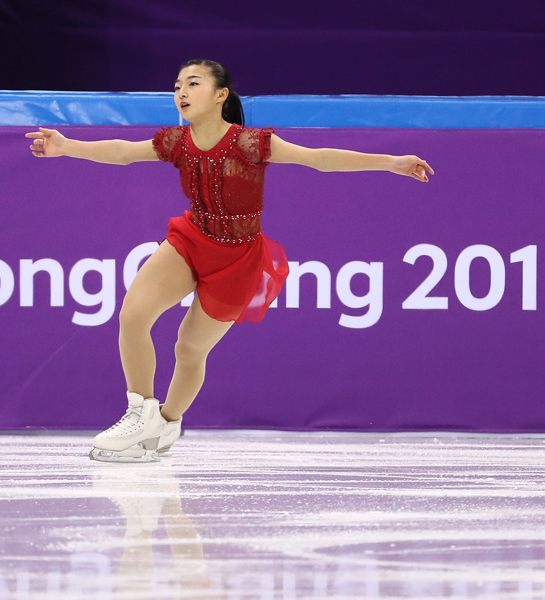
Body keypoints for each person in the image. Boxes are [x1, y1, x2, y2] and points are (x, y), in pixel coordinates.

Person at [25, 59, 433, 463]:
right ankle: (140, 411)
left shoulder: (251, 143)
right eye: (177, 85)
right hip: (191, 239)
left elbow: (319, 158)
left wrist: (391, 162)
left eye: (193, 83)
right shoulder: (175, 142)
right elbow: (124, 152)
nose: (181, 92)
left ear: (221, 94)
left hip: (238, 259)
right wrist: (66, 147)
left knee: (189, 349)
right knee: (133, 315)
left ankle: (167, 422)